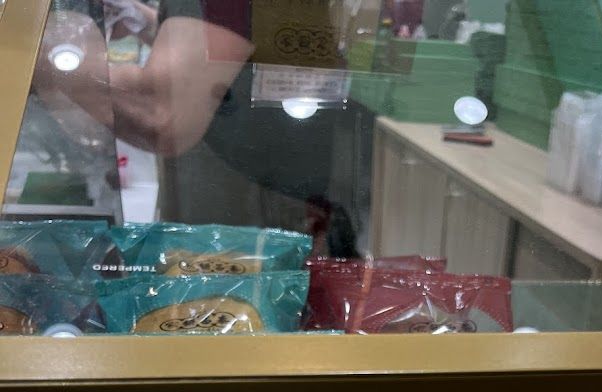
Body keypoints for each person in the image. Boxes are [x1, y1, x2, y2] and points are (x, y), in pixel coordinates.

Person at [34, 1, 361, 253]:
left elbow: (160, 112)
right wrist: (147, 21)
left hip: (257, 225)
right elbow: (227, 46)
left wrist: (40, 52)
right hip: (282, 208)